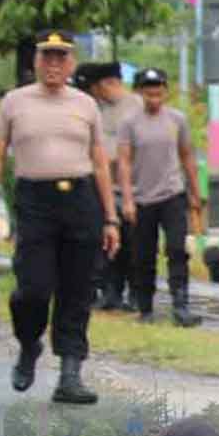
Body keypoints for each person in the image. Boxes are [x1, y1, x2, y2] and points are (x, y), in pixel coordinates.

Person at [0, 31, 122, 404]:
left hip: (81, 200)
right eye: (47, 56)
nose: (54, 64)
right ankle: (28, 344)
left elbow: (100, 161)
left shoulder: (85, 104)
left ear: (71, 63)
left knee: (78, 288)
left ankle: (70, 374)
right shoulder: (15, 102)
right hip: (34, 202)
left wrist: (111, 218)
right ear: (36, 61)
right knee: (32, 289)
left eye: (61, 56)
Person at [119, 67, 203, 327]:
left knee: (177, 249)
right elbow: (124, 162)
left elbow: (187, 156)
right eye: (149, 93)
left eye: (158, 93)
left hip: (172, 194)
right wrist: (127, 199)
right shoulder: (130, 123)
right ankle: (145, 306)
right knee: (144, 255)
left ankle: (181, 304)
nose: (154, 98)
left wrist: (195, 192)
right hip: (142, 198)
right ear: (140, 93)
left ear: (165, 92)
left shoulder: (177, 120)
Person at [79, 61, 145, 312]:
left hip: (133, 187)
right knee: (107, 242)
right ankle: (111, 291)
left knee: (134, 243)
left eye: (95, 88)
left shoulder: (136, 106)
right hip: (104, 187)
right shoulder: (96, 109)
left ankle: (137, 292)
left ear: (107, 84)